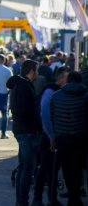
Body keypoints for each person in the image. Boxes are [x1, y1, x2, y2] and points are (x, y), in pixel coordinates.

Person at [31, 67, 70, 206]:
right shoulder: (50, 91)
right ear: (59, 79)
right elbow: (45, 116)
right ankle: (37, 199)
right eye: (66, 78)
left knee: (54, 168)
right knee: (45, 167)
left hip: (55, 135)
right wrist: (52, 137)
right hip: (48, 136)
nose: (68, 82)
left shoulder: (60, 91)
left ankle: (52, 198)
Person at [7, 60, 41, 206]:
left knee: (24, 166)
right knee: (28, 167)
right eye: (37, 71)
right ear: (31, 71)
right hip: (26, 131)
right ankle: (22, 201)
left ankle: (21, 200)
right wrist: (38, 125)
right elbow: (25, 111)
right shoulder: (23, 86)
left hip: (23, 130)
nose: (38, 74)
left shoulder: (20, 85)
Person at [50, 71, 88, 206]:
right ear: (81, 81)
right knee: (77, 168)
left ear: (67, 81)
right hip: (79, 137)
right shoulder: (85, 96)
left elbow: (52, 117)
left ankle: (73, 197)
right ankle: (74, 199)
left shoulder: (56, 96)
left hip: (62, 137)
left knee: (66, 168)